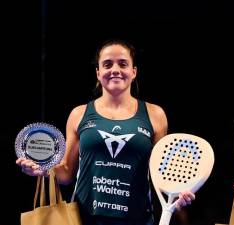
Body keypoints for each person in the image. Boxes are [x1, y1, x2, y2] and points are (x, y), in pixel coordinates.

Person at [16, 39, 195, 225]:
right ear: (98, 73)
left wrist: (178, 195)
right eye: (107, 64)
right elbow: (66, 173)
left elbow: (164, 177)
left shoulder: (155, 115)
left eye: (123, 64)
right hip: (85, 219)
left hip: (138, 220)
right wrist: (43, 168)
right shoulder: (79, 114)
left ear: (134, 72)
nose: (115, 69)